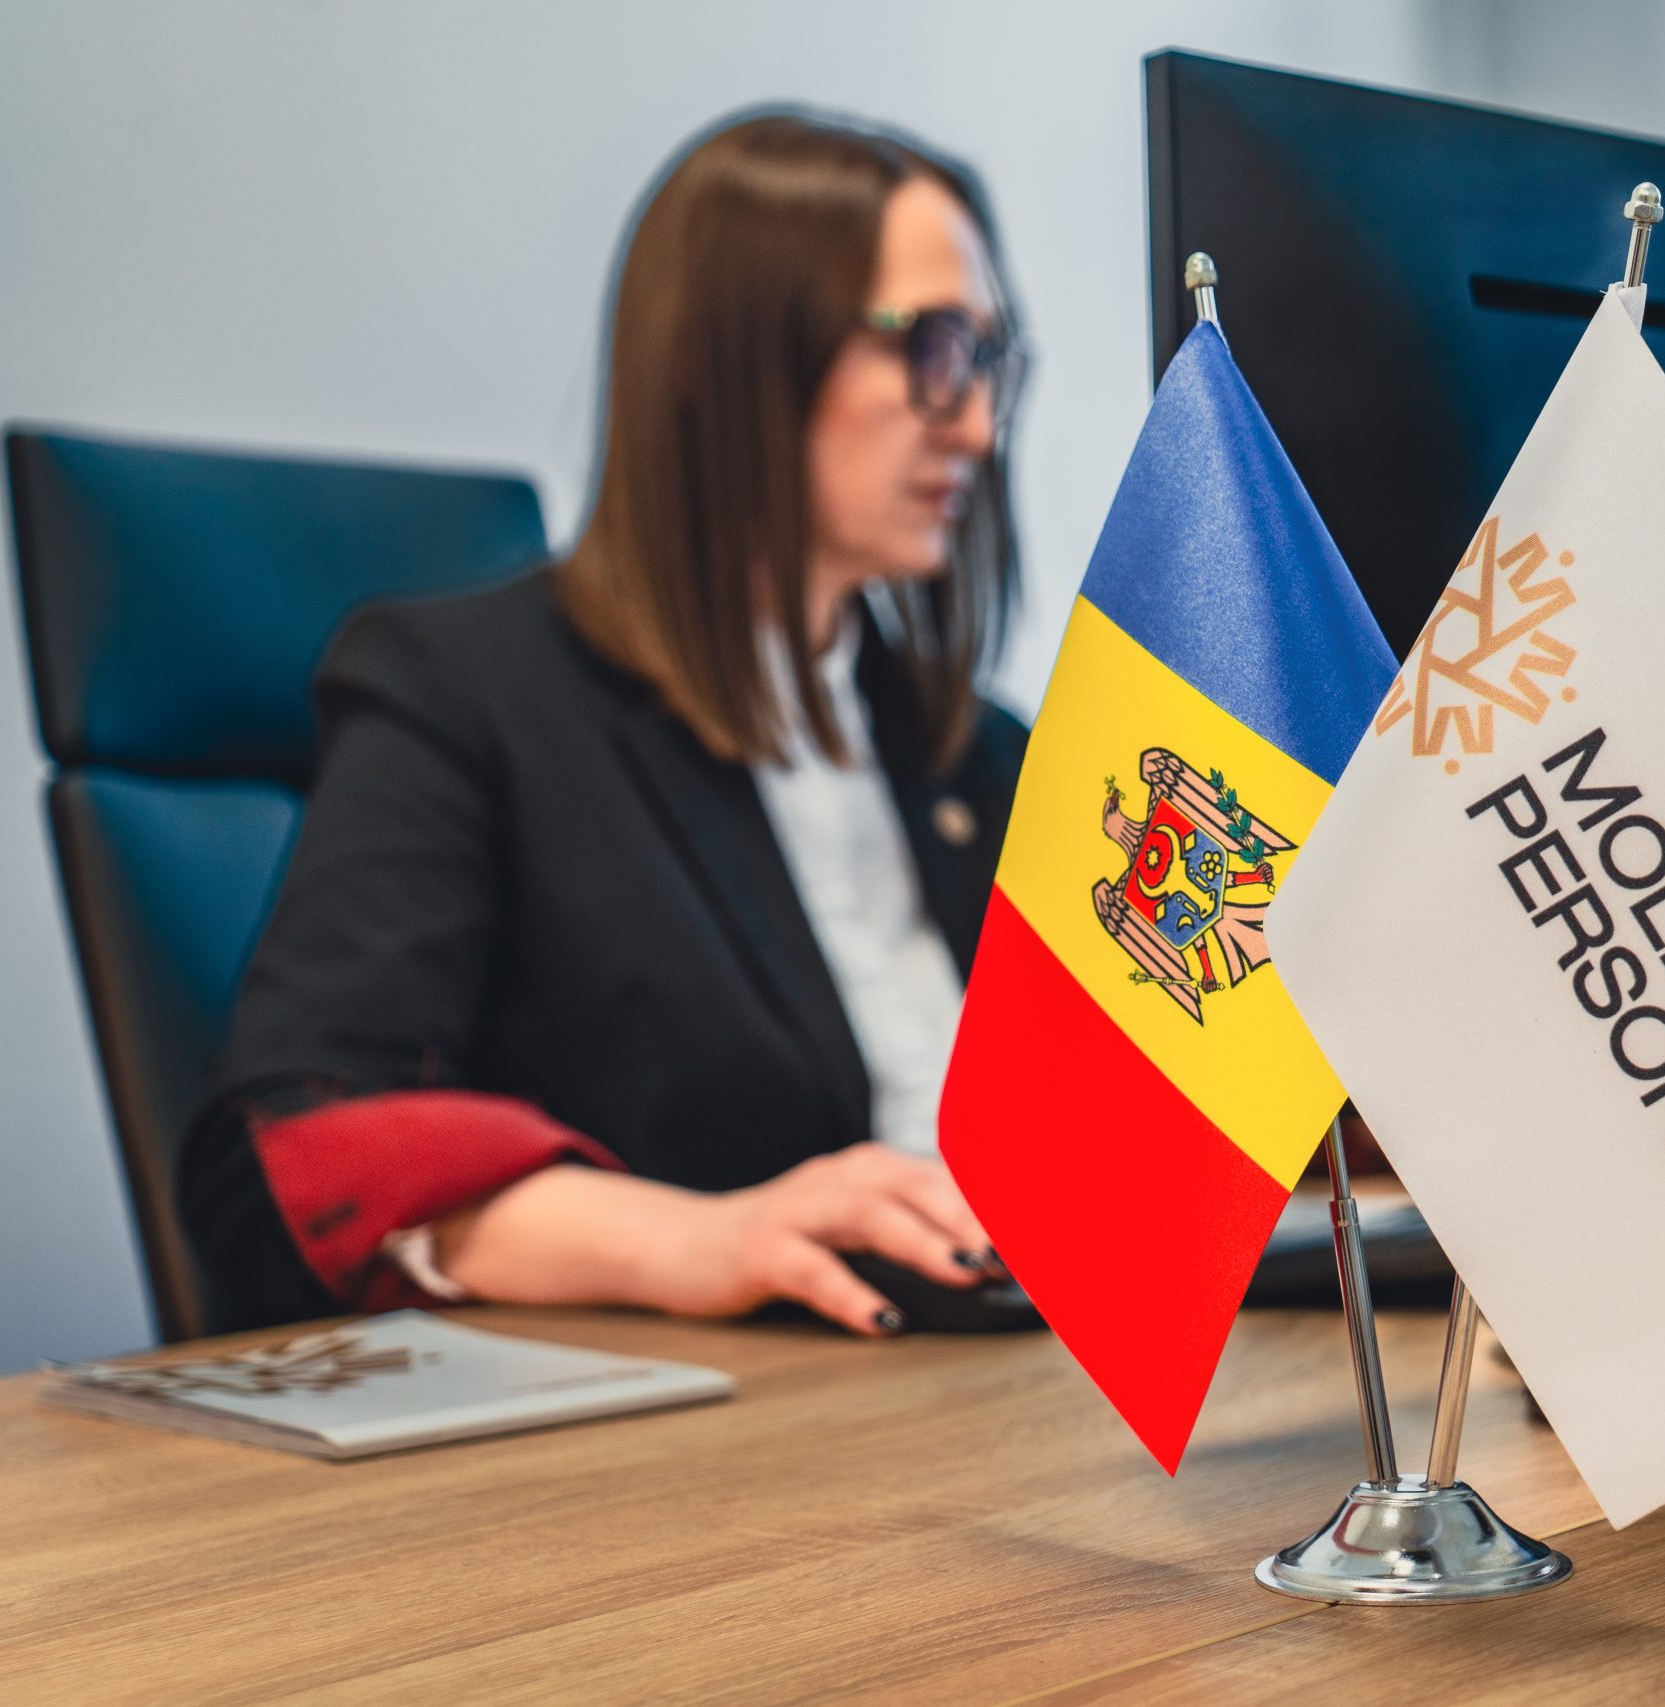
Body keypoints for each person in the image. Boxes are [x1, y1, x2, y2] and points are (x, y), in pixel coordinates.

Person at [179, 112, 1031, 1337]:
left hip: (1014, 1372)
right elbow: (285, 1157)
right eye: (933, 349)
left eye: (989, 358)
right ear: (732, 362)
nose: (978, 426)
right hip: (743, 1414)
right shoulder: (468, 695)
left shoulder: (972, 750)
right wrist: (699, 1238)